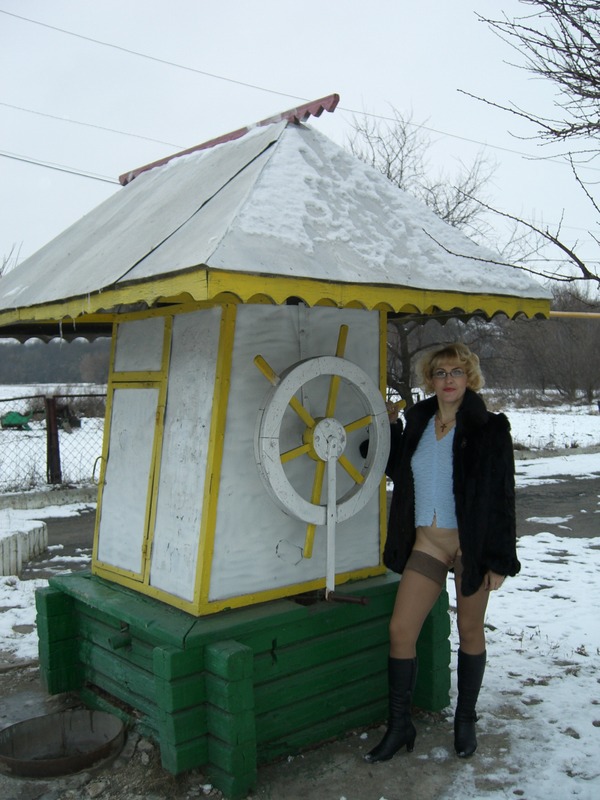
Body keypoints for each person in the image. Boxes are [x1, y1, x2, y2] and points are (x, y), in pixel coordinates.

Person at [364, 342, 520, 763]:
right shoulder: (418, 422)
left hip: (472, 545)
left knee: (470, 631)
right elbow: (389, 465)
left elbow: (503, 496)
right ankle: (400, 725)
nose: (448, 380)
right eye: (440, 373)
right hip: (427, 543)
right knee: (401, 630)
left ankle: (465, 720)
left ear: (469, 377)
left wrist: (499, 560)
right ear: (430, 380)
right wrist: (389, 426)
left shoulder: (489, 429)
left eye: (456, 372)